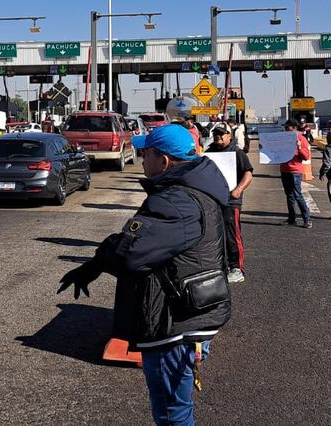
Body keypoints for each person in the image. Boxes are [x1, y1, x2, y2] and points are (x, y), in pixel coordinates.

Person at [58, 124, 231, 426]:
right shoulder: (198, 188)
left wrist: (97, 262)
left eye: (145, 152)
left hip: (172, 319)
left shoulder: (174, 201)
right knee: (178, 404)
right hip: (192, 306)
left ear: (163, 161)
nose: (141, 157)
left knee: (170, 412)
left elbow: (132, 254)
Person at [209, 126, 253, 283]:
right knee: (215, 234)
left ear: (229, 136)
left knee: (232, 235)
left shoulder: (237, 152)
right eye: (215, 134)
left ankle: (237, 268)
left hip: (231, 201)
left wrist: (238, 190)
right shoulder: (210, 151)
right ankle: (220, 265)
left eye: (221, 134)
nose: (218, 136)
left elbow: (248, 173)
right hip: (214, 199)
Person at [280, 119, 312, 228]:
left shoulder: (301, 138)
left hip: (295, 171)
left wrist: (299, 147)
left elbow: (306, 156)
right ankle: (291, 219)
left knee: (297, 195)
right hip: (284, 170)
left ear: (293, 127)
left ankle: (307, 219)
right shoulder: (284, 138)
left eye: (287, 127)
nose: (285, 129)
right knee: (289, 195)